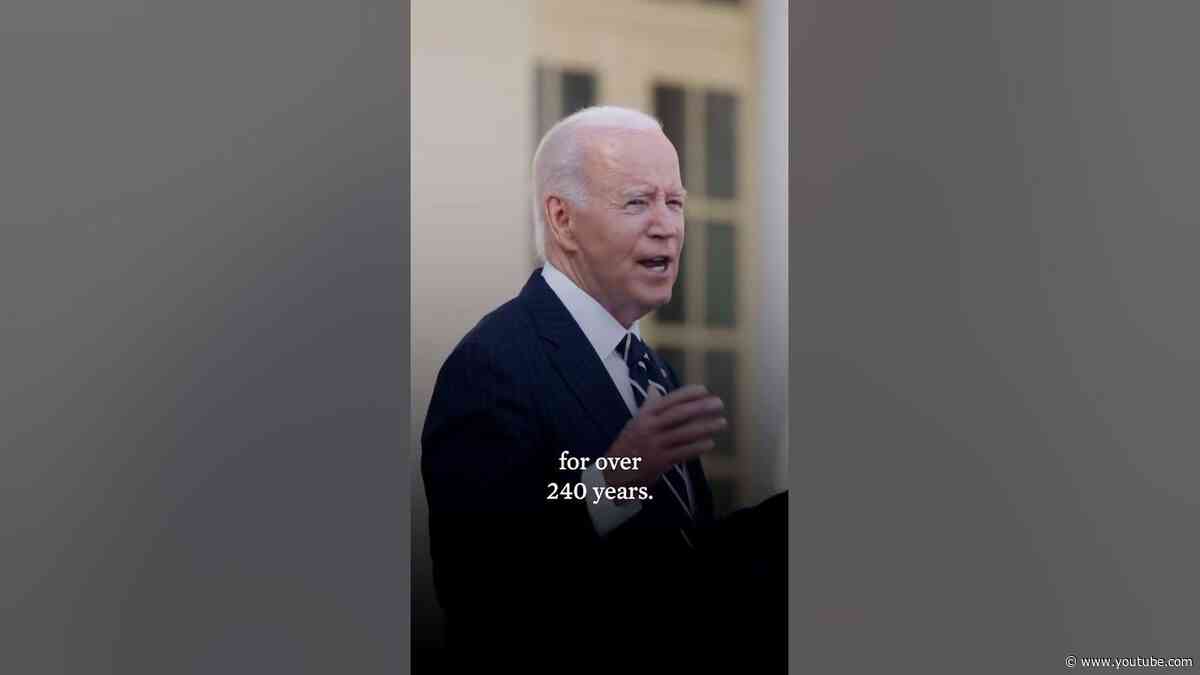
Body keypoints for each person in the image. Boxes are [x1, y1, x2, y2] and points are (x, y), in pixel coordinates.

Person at [420, 106, 767, 670]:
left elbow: (683, 558)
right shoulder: (492, 364)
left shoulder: (649, 368)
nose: (668, 225)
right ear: (562, 219)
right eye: (637, 202)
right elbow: (487, 588)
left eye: (675, 202)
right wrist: (616, 478)